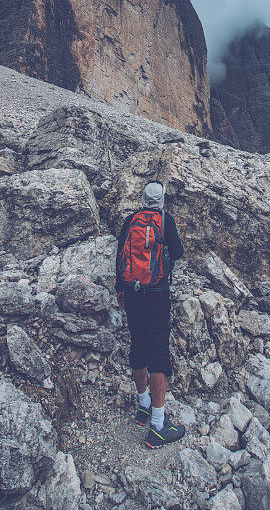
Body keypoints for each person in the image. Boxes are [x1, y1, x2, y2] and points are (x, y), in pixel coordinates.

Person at [115, 180, 185, 448]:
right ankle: (158, 424)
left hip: (132, 291)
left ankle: (143, 405)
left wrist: (120, 289)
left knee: (138, 345)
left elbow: (119, 256)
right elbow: (177, 252)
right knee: (158, 353)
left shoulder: (130, 220)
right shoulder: (166, 221)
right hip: (157, 293)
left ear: (142, 198)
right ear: (162, 200)